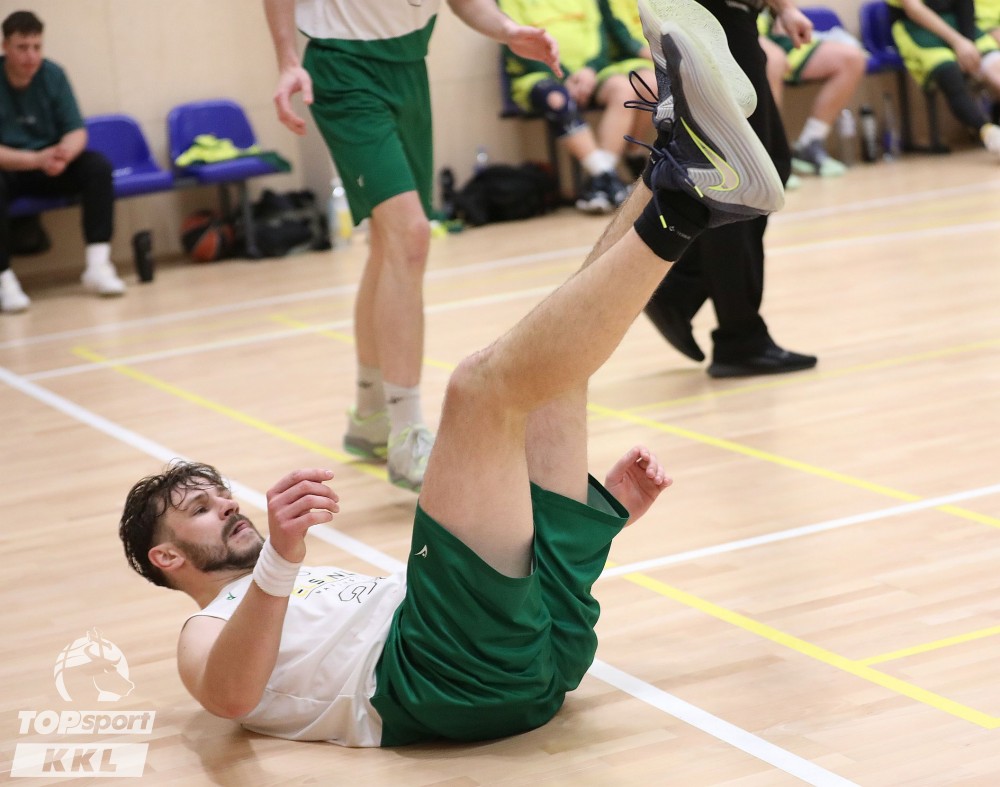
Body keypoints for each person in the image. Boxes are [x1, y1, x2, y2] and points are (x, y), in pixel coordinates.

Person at [118, 0, 786, 745]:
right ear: (167, 556)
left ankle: (674, 158)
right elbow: (230, 697)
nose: (226, 505)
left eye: (217, 494)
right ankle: (687, 202)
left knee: (550, 363)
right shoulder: (205, 629)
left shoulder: (302, 581)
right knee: (480, 387)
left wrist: (597, 518)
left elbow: (476, 568)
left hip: (528, 645)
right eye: (200, 507)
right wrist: (280, 559)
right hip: (444, 678)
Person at [263, 0, 560, 493]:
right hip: (343, 67)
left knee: (388, 245)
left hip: (409, 69)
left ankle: (370, 415)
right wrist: (286, 58)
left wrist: (506, 29)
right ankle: (406, 433)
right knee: (411, 235)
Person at [637, 0, 818, 377]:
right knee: (741, 181)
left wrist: (782, 8)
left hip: (731, 19)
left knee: (767, 167)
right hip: (716, 17)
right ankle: (739, 336)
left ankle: (680, 290)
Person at [0, 10, 125, 314]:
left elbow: (76, 131)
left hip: (50, 166)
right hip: (10, 169)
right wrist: (34, 159)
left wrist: (63, 155)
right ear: (5, 47)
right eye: (22, 48)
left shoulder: (54, 75)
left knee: (97, 167)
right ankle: (4, 280)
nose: (31, 56)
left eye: (37, 47)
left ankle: (98, 265)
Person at [498, 0, 654, 213]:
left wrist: (590, 70)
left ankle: (601, 182)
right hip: (539, 74)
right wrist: (563, 76)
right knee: (556, 99)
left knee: (624, 89)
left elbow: (599, 35)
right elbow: (515, 43)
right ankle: (606, 178)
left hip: (590, 73)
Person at [757, 12, 867, 178]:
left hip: (778, 35)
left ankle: (810, 143)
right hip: (743, 33)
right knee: (773, 61)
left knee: (852, 58)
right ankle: (770, 156)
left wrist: (784, 12)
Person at [889, 0, 1000, 157]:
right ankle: (988, 131)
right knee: (950, 76)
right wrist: (958, 42)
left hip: (957, 22)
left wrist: (968, 42)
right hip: (917, 28)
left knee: (995, 66)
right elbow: (914, 10)